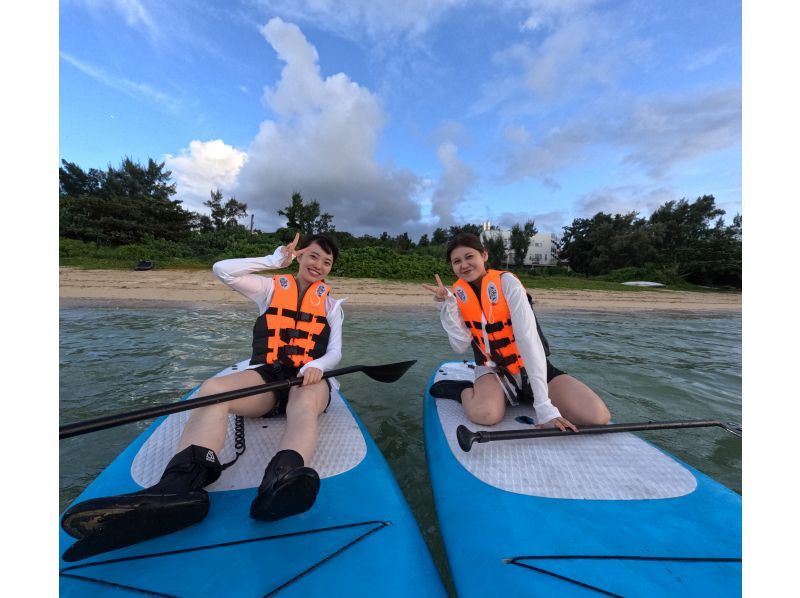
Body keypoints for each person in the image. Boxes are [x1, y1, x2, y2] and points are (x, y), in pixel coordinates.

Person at [61, 232, 344, 550]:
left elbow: (335, 353)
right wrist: (273, 260)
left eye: (326, 261)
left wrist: (314, 367)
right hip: (270, 378)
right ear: (301, 257)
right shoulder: (269, 289)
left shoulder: (332, 306)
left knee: (303, 406)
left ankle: (281, 480)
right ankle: (182, 486)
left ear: (330, 269)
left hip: (308, 381)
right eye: (313, 256)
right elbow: (222, 269)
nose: (318, 264)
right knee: (213, 391)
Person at [422, 232, 610, 430]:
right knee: (485, 414)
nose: (464, 265)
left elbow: (528, 340)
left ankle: (527, 393)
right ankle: (463, 390)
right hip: (493, 370)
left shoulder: (507, 283)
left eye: (469, 257)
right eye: (456, 261)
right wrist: (446, 306)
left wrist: (544, 406)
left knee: (596, 416)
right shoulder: (458, 295)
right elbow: (460, 346)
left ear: (484, 255)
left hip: (531, 368)